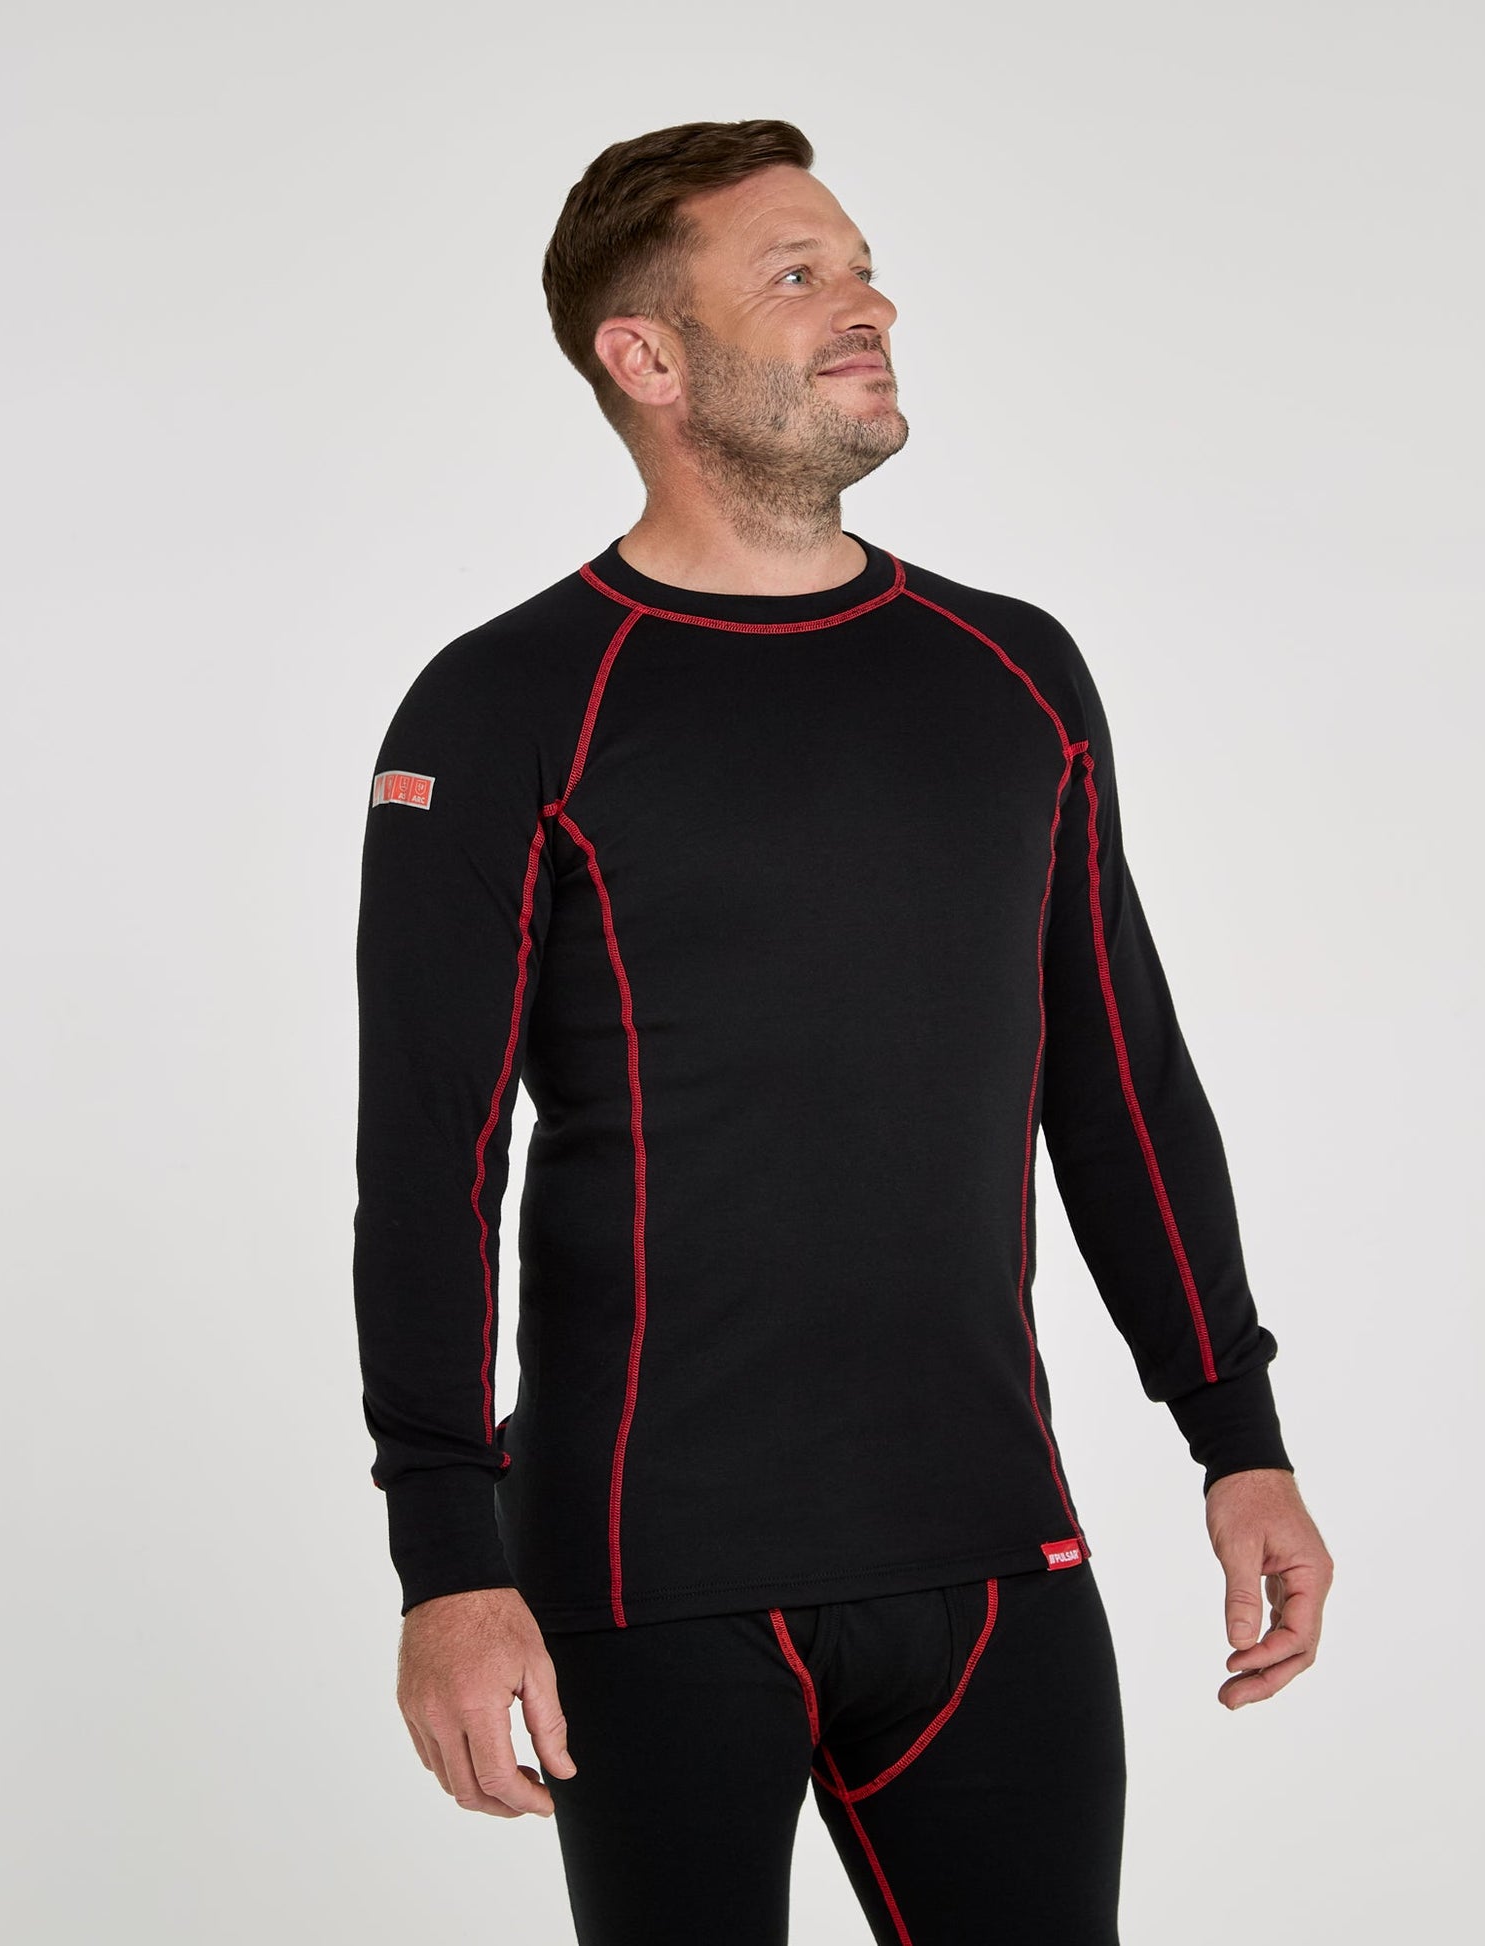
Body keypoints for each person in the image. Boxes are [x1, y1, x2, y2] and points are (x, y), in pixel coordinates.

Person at [352, 117, 1334, 1944]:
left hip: (990, 1558)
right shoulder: (507, 705)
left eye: (862, 267)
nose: (865, 305)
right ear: (644, 359)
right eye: (795, 276)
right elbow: (428, 1160)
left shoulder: (1010, 671)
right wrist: (445, 1564)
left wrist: (1237, 1433)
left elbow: (1117, 1078)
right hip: (646, 1579)